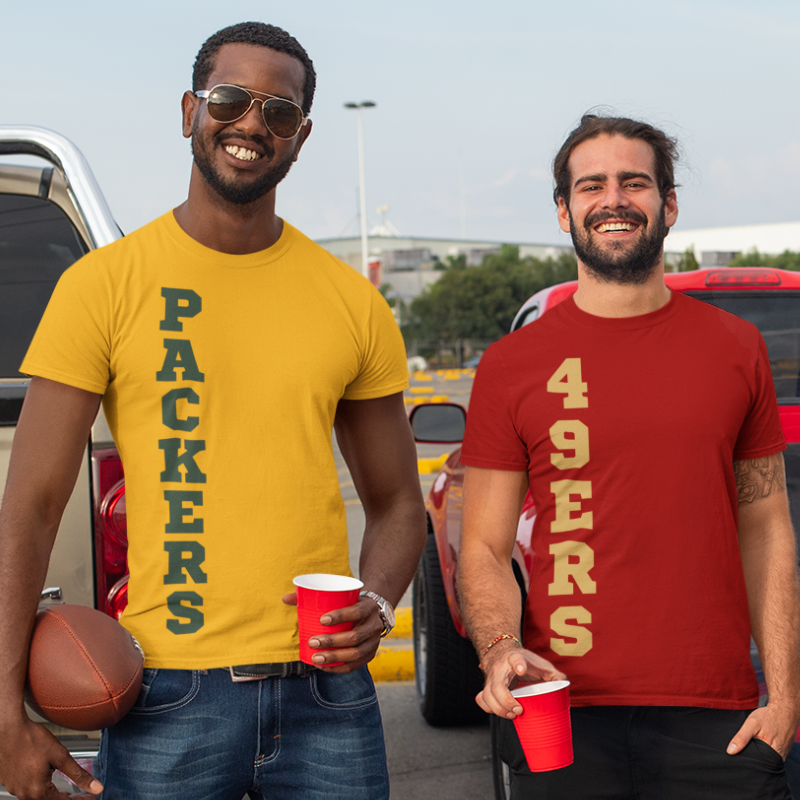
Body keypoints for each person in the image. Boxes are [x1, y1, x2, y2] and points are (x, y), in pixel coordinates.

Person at [0, 21, 426, 800]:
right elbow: (28, 507)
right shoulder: (104, 287)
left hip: (326, 695)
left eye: (281, 113)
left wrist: (377, 603)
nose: (252, 125)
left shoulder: (348, 302)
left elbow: (399, 502)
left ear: (300, 138)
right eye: (231, 100)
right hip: (168, 694)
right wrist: (2, 714)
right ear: (191, 109)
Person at [459, 113, 800, 798]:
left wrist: (785, 698)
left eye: (634, 182)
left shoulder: (736, 349)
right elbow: (485, 548)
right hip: (560, 710)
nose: (613, 200)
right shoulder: (511, 365)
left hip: (720, 715)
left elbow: (765, 527)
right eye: (591, 186)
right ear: (565, 211)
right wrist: (499, 652)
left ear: (668, 204)